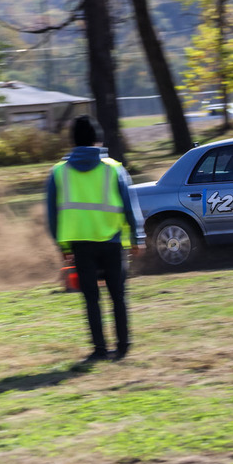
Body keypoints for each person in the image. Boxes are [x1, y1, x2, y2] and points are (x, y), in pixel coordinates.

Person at [46, 115, 145, 363]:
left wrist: (62, 246)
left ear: (73, 142)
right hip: (112, 241)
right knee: (117, 296)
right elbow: (129, 206)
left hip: (80, 245)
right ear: (97, 140)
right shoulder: (114, 168)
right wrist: (136, 237)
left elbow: (52, 214)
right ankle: (122, 347)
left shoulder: (58, 172)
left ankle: (99, 349)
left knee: (91, 298)